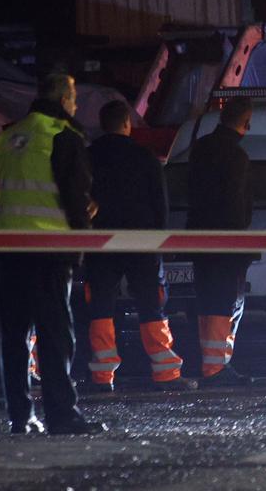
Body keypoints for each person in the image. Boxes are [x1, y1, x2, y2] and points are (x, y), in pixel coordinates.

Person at [0, 73, 107, 434]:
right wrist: (83, 243)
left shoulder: (10, 136)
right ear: (63, 100)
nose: (75, 107)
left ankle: (20, 416)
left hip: (8, 249)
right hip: (49, 249)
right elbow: (74, 199)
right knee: (56, 334)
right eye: (73, 101)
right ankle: (63, 415)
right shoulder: (62, 137)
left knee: (14, 336)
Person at [84, 100, 195, 392]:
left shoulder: (88, 157)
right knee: (151, 305)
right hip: (142, 241)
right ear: (126, 124)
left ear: (102, 124)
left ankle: (102, 377)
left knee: (100, 307)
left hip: (99, 242)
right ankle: (166, 373)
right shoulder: (145, 157)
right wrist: (160, 240)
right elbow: (161, 203)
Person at [187, 96, 255, 386]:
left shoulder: (200, 148)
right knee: (223, 302)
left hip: (199, 235)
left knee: (206, 299)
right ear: (246, 122)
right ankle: (216, 367)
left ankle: (209, 363)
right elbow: (235, 201)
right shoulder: (236, 155)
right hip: (226, 237)